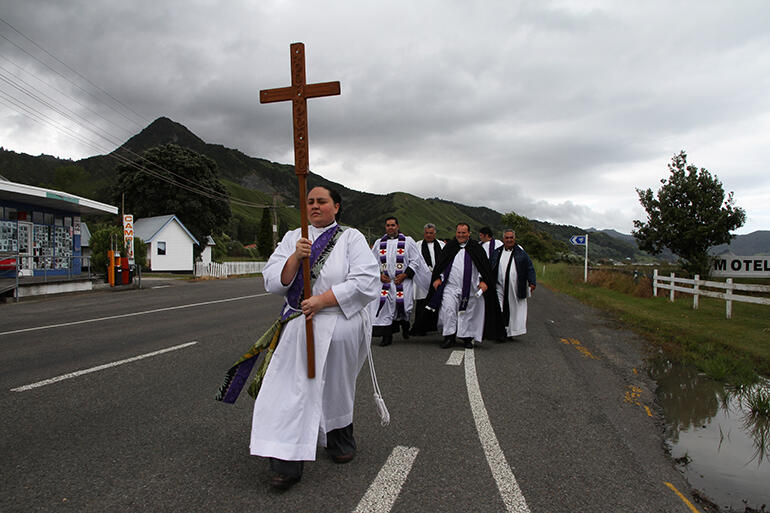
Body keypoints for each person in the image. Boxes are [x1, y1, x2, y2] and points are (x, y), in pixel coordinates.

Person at [216, 186, 380, 489]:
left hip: (337, 322)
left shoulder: (351, 238)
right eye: (310, 202)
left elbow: (367, 281)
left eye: (322, 201)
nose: (315, 206)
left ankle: (338, 440)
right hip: (297, 325)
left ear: (336, 207)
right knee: (287, 392)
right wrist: (294, 257)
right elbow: (272, 279)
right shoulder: (293, 237)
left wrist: (324, 300)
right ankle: (286, 462)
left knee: (335, 388)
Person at [420, 223, 501, 348]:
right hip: (450, 287)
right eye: (459, 232)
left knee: (468, 313)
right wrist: (437, 278)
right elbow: (441, 265)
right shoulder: (449, 247)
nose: (461, 235)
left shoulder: (476, 248)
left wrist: (484, 281)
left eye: (463, 233)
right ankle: (449, 337)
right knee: (448, 310)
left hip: (471, 287)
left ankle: (467, 337)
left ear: (469, 233)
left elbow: (483, 267)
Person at [369, 216, 429, 346]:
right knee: (385, 308)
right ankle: (387, 336)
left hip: (402, 282)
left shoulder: (407, 242)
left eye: (393, 225)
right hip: (386, 283)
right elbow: (372, 262)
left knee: (403, 307)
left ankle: (405, 325)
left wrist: (405, 274)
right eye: (388, 225)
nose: (390, 228)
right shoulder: (380, 243)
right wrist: (379, 274)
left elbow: (415, 260)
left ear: (398, 226)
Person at [492, 229, 536, 339]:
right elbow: (490, 266)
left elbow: (529, 267)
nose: (509, 240)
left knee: (513, 309)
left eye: (511, 238)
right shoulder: (497, 252)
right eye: (507, 238)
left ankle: (510, 331)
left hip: (515, 287)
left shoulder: (521, 253)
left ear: (514, 239)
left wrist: (532, 282)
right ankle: (500, 331)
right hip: (499, 286)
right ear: (503, 239)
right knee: (499, 307)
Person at [411, 223, 445, 336]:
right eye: (427, 233)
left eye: (431, 233)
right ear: (424, 233)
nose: (429, 235)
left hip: (437, 278)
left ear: (435, 233)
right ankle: (420, 327)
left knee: (437, 301)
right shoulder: (417, 245)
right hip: (422, 279)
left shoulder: (441, 245)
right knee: (422, 303)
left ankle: (435, 326)